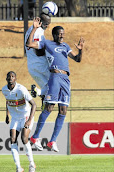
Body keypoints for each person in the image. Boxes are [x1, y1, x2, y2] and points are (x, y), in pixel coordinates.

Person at [26, 18, 84, 152]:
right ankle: (35, 137)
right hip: (55, 76)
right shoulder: (47, 43)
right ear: (54, 35)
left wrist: (81, 50)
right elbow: (29, 44)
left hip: (66, 79)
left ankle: (52, 141)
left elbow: (77, 59)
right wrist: (34, 28)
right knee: (50, 107)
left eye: (63, 33)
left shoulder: (66, 46)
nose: (62, 35)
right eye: (59, 33)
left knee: (63, 110)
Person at [2, 71, 36, 172]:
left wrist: (30, 120)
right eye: (9, 77)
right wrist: (7, 115)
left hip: (25, 116)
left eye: (13, 76)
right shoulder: (4, 90)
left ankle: (31, 164)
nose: (11, 78)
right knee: (12, 140)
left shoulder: (21, 89)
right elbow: (8, 101)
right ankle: (18, 167)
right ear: (6, 79)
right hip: (15, 118)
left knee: (24, 138)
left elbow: (34, 104)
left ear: (15, 78)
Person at [25, 13, 51, 101]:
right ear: (40, 22)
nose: (47, 26)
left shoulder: (30, 29)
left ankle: (38, 92)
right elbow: (38, 51)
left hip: (31, 66)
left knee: (47, 87)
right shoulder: (38, 31)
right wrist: (48, 48)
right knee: (55, 83)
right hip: (40, 65)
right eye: (46, 23)